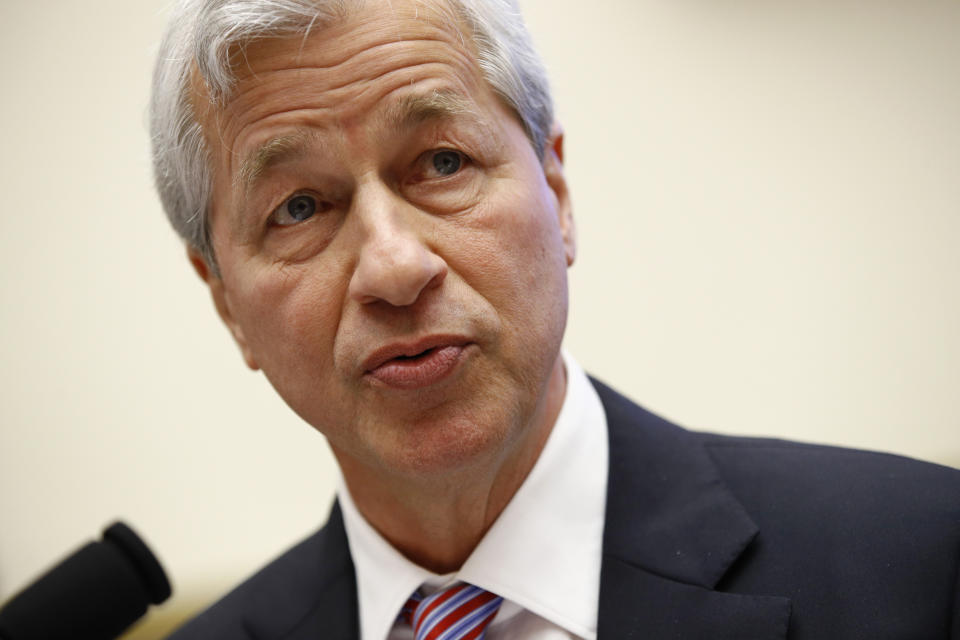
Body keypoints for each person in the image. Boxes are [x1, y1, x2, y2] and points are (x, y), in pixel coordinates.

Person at [150, 0, 960, 638]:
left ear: (558, 196)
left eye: (441, 163)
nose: (395, 269)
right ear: (227, 304)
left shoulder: (921, 560)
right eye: (298, 207)